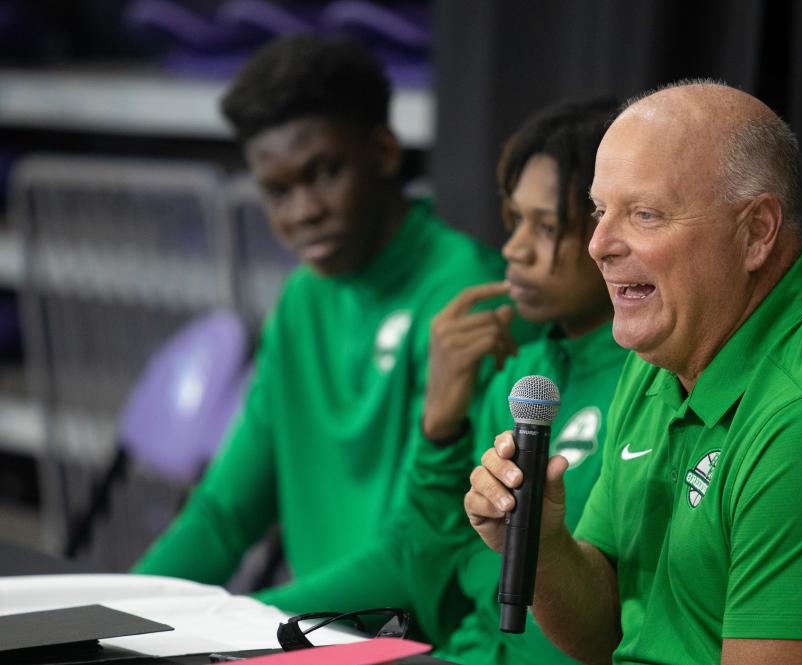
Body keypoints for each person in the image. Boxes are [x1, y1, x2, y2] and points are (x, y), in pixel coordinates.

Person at [466, 80, 802, 665]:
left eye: (644, 214)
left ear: (755, 232)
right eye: (601, 210)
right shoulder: (662, 353)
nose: (598, 244)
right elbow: (605, 634)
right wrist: (544, 545)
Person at [132, 34, 524, 612]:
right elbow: (225, 514)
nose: (303, 211)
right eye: (278, 191)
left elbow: (418, 556)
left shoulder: (468, 294)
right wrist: (117, 617)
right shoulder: (302, 299)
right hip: (313, 630)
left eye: (323, 172)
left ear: (385, 152)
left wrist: (251, 624)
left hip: (410, 640)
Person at [274, 99, 629, 659]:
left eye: (547, 226)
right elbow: (428, 566)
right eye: (515, 221)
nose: (513, 248)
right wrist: (439, 426)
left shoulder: (655, 383)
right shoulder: (517, 376)